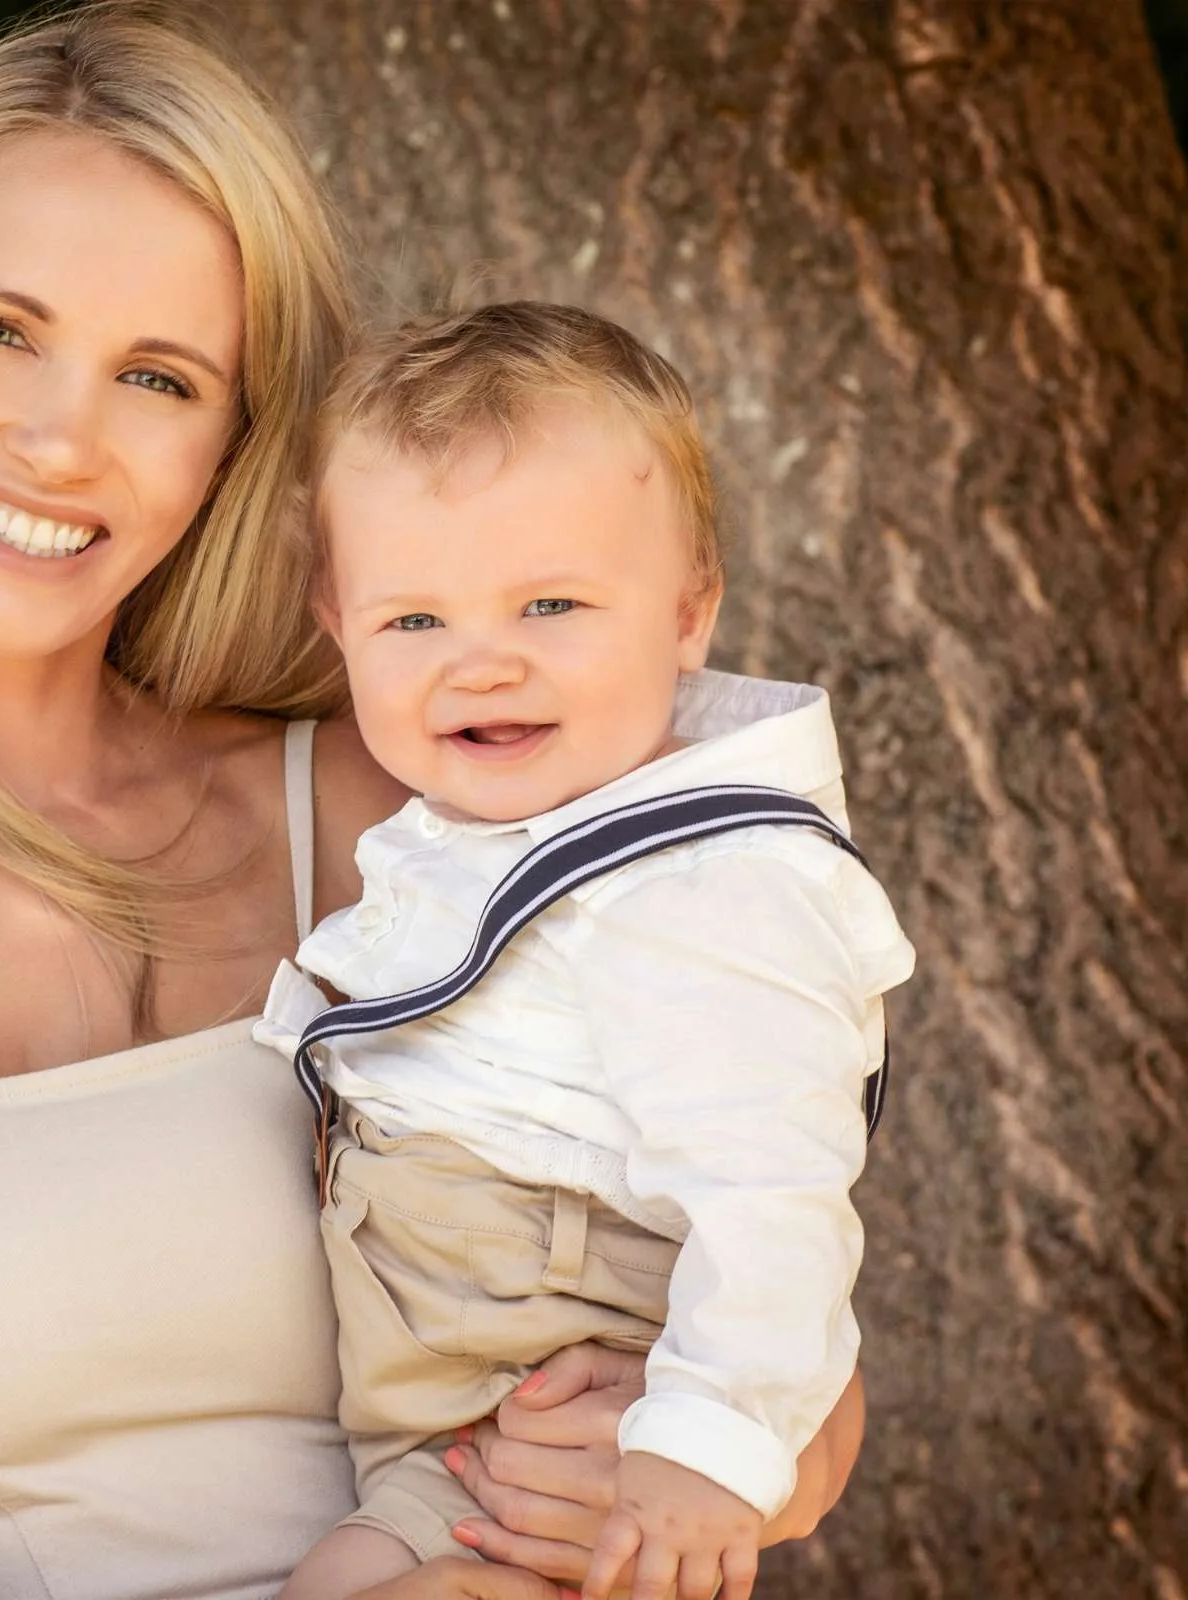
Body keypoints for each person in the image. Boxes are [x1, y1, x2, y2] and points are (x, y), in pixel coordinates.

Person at [0, 11, 867, 1600]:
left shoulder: (403, 811)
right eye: (1, 329)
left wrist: (689, 1453)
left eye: (158, 376)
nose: (63, 440)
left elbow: (787, 1302)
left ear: (228, 447)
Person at [258, 302, 915, 1600]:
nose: (482, 666)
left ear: (688, 614)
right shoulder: (492, 822)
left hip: (563, 1406)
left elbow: (772, 1198)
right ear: (337, 623)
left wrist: (706, 1452)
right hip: (448, 1413)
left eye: (551, 604)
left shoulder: (702, 886)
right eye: (413, 623)